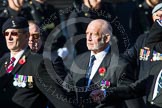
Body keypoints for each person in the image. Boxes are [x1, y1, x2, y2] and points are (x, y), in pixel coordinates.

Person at [0, 16, 66, 108]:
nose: (9, 37)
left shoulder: (39, 62)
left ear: (26, 36)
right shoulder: (3, 61)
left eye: (14, 34)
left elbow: (59, 100)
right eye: (6, 34)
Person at [62, 19, 127, 108]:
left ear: (107, 38)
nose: (88, 38)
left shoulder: (120, 64)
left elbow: (128, 95)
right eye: (87, 33)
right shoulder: (79, 60)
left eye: (94, 34)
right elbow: (66, 90)